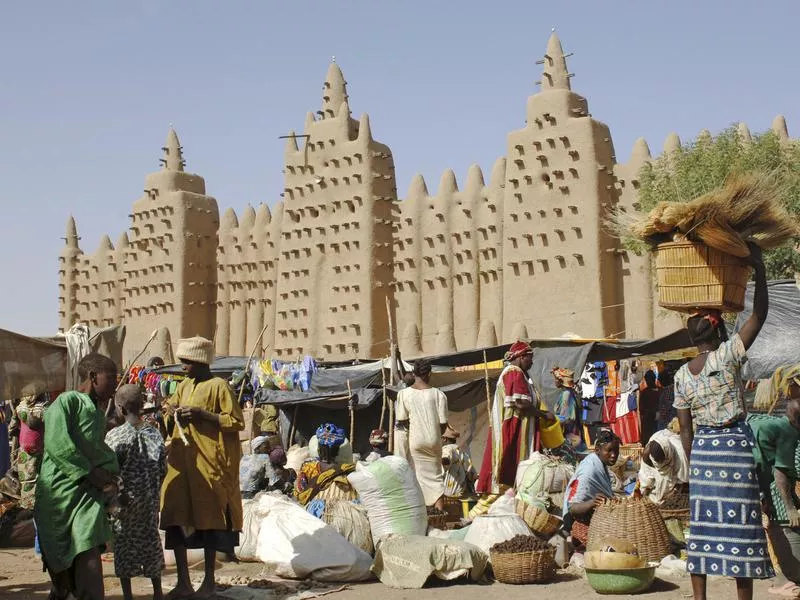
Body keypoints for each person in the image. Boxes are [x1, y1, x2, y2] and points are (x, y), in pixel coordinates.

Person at [674, 243, 771, 600]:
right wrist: (758, 270)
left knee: (703, 527)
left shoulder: (682, 375)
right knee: (739, 525)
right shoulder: (728, 355)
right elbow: (758, 315)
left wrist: (694, 459)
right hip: (733, 451)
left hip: (703, 454)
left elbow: (685, 429)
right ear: (716, 334)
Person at [160, 336, 244, 600]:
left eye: (187, 362)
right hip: (182, 465)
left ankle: (208, 582)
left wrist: (201, 415)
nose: (183, 366)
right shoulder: (183, 386)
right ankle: (184, 582)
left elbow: (235, 422)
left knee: (208, 524)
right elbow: (167, 413)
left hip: (210, 465)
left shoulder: (219, 386)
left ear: (199, 361)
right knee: (177, 520)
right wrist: (171, 412)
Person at [35, 353, 120, 600]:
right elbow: (57, 444)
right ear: (93, 377)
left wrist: (108, 472)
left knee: (88, 560)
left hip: (85, 499)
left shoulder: (96, 411)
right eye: (111, 378)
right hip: (59, 497)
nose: (115, 384)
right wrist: (92, 474)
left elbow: (95, 449)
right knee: (63, 578)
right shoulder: (68, 401)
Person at [472, 342, 554, 517]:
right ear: (522, 357)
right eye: (530, 359)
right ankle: (474, 517)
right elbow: (520, 403)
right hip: (513, 433)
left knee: (513, 478)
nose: (531, 364)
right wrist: (542, 414)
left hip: (519, 432)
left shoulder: (520, 376)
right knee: (505, 477)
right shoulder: (514, 374)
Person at [105, 384, 167, 600]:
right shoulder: (155, 434)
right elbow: (162, 469)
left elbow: (109, 473)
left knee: (123, 547)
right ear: (141, 406)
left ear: (120, 408)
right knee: (151, 544)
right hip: (149, 504)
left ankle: (128, 595)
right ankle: (157, 593)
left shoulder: (114, 437)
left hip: (124, 506)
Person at [749, 368, 800, 598]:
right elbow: (780, 474)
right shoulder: (787, 425)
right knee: (784, 516)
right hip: (768, 480)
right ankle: (790, 576)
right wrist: (790, 508)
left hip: (766, 477)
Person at [396, 359, 449, 511]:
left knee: (418, 477)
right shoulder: (439, 395)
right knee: (436, 478)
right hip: (434, 440)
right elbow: (443, 424)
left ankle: (423, 514)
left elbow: (402, 421)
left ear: (414, 374)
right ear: (429, 374)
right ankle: (440, 516)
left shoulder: (404, 394)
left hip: (415, 441)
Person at [562, 429, 620, 545]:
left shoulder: (600, 464)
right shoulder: (589, 471)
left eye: (616, 451)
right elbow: (573, 508)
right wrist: (592, 502)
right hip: (577, 523)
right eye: (609, 451)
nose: (614, 455)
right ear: (597, 450)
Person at [295, 423, 356, 506]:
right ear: (337, 451)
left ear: (318, 450)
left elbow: (300, 494)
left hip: (311, 512)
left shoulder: (308, 468)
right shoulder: (345, 470)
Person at [638, 428, 689, 506]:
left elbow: (685, 479)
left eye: (662, 461)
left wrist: (677, 488)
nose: (661, 464)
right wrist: (645, 488)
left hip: (677, 485)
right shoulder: (647, 454)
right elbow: (646, 473)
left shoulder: (680, 453)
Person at [441, 425, 477, 498]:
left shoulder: (447, 449)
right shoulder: (462, 452)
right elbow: (472, 473)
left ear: (444, 439)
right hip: (462, 493)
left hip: (448, 494)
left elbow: (446, 460)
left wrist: (436, 460)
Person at [552, 367, 582, 446]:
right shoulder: (568, 392)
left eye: (556, 379)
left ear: (561, 381)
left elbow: (565, 417)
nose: (554, 382)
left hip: (569, 432)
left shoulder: (566, 394)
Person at [239, 435, 274, 500]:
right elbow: (273, 479)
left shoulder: (244, 457)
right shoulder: (264, 457)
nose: (269, 449)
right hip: (252, 494)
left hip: (240, 493)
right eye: (266, 447)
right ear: (257, 448)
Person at [639, 370, 660, 446]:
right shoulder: (645, 392)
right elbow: (642, 409)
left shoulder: (645, 392)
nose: (648, 381)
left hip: (654, 418)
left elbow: (641, 408)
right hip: (649, 419)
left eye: (649, 379)